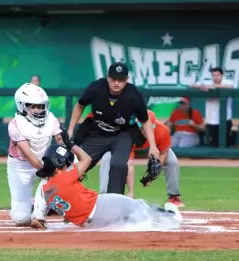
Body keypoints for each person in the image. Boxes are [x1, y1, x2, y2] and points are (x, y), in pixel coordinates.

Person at [31, 139, 182, 230]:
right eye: (65, 163)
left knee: (126, 217)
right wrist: (72, 145)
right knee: (137, 206)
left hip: (89, 224)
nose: (68, 165)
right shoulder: (63, 177)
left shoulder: (45, 190)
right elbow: (87, 159)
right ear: (58, 163)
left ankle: (152, 217)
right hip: (100, 207)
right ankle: (171, 215)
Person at [67, 62, 159, 195]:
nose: (116, 83)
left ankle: (115, 202)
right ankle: (63, 199)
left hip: (122, 134)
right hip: (97, 132)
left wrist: (153, 145)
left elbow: (145, 120)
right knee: (79, 166)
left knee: (119, 165)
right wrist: (71, 129)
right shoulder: (96, 88)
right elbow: (80, 105)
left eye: (121, 80)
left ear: (127, 79)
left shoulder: (134, 95)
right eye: (113, 79)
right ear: (107, 77)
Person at [99, 110, 184, 207]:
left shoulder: (162, 130)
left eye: (149, 126)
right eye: (142, 126)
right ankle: (104, 197)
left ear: (154, 125)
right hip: (127, 148)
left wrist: (152, 175)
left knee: (171, 160)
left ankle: (174, 196)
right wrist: (131, 192)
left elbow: (163, 153)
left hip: (151, 149)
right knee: (107, 158)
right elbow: (129, 164)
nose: (144, 129)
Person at [6, 83, 63, 226]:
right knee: (21, 219)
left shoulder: (51, 119)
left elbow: (61, 141)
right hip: (21, 165)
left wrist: (64, 164)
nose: (37, 110)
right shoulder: (15, 124)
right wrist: (47, 169)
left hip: (44, 161)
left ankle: (40, 212)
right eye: (33, 106)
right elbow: (28, 153)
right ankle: (33, 204)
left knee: (62, 172)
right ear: (22, 105)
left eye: (40, 106)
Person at [191, 67, 235, 147]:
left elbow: (230, 87)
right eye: (213, 75)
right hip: (211, 119)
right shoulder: (208, 82)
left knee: (224, 141)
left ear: (222, 75)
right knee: (214, 143)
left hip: (225, 119)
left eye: (217, 75)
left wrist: (212, 86)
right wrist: (201, 87)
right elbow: (192, 85)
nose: (215, 77)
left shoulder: (227, 82)